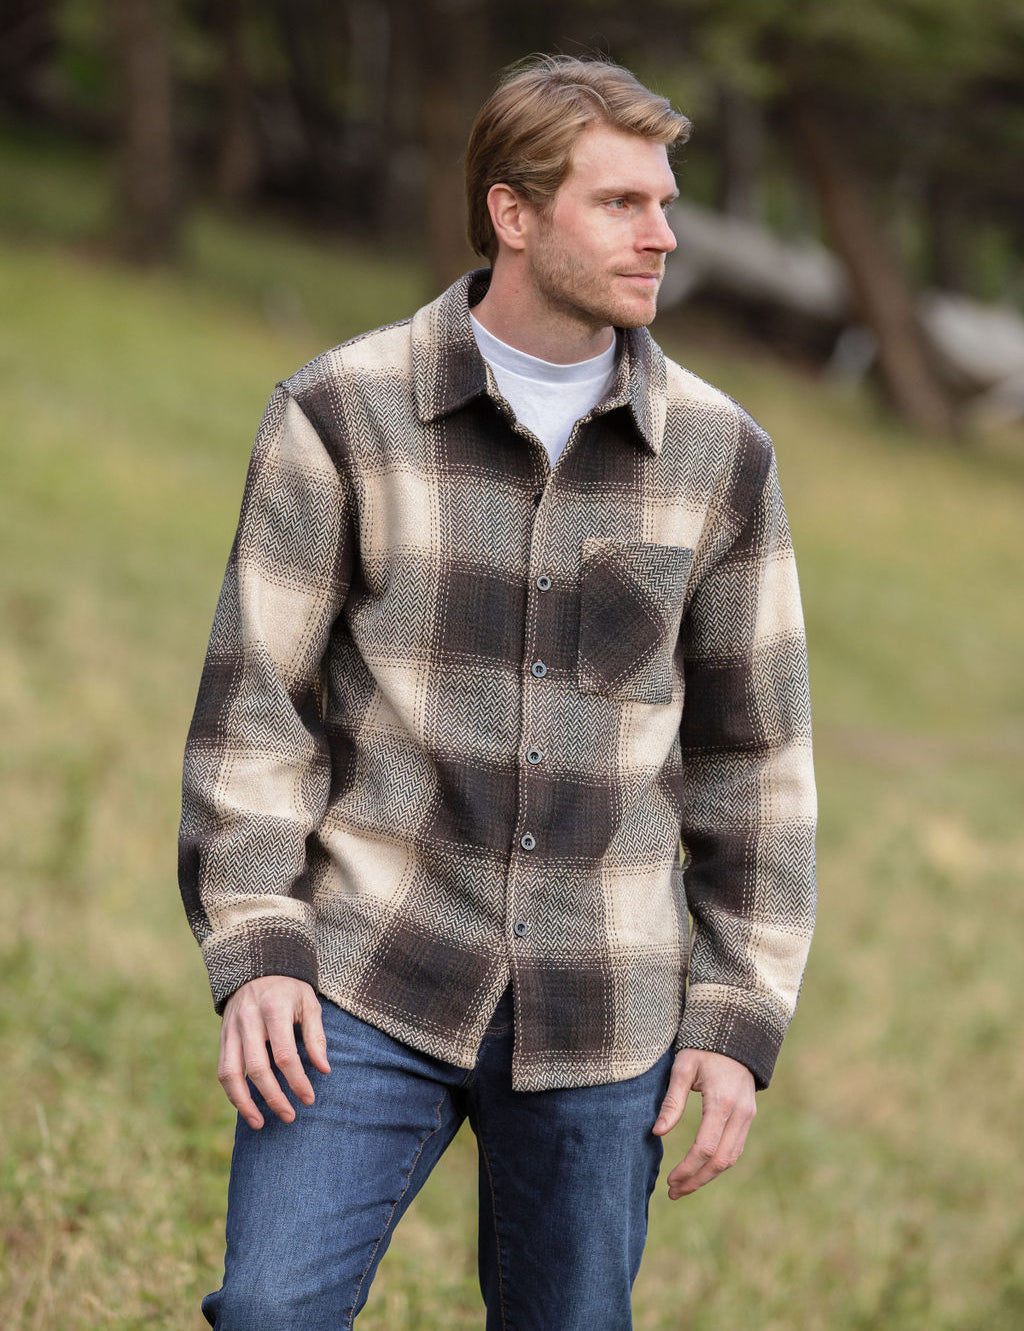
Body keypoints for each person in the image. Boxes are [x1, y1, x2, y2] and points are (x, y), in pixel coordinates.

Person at [179, 54, 816, 1331]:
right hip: (367, 968)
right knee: (267, 1311)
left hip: (605, 1001)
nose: (663, 236)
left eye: (666, 201)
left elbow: (757, 764)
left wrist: (737, 1014)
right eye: (621, 203)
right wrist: (255, 946)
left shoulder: (720, 457)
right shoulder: (339, 412)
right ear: (513, 214)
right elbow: (256, 709)